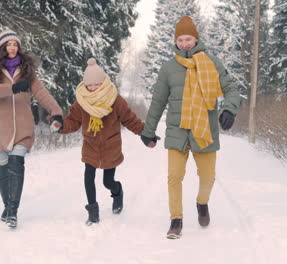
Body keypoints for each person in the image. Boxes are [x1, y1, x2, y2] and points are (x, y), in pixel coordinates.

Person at [140, 16, 240, 239]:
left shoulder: (212, 63)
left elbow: (231, 88)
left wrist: (230, 110)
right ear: (176, 41)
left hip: (205, 129)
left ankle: (202, 203)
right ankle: (176, 220)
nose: (184, 43)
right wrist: (148, 130)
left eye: (188, 39)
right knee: (174, 177)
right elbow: (158, 101)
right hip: (177, 129)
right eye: (180, 39)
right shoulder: (168, 68)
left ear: (196, 39)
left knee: (208, 178)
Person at [0, 29, 63, 228]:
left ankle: (12, 211)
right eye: (8, 44)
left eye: (15, 44)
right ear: (2, 47)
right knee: (2, 166)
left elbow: (41, 92)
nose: (12, 48)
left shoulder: (27, 72)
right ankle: (7, 206)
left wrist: (56, 111)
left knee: (16, 164)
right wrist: (12, 88)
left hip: (23, 126)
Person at [60, 58, 148, 225]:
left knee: (107, 182)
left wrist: (145, 132)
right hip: (90, 145)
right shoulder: (82, 101)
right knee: (88, 177)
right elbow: (72, 121)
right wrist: (59, 126)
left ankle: (117, 191)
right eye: (89, 85)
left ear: (103, 82)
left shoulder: (115, 99)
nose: (92, 88)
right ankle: (93, 212)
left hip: (110, 146)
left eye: (96, 85)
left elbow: (130, 120)